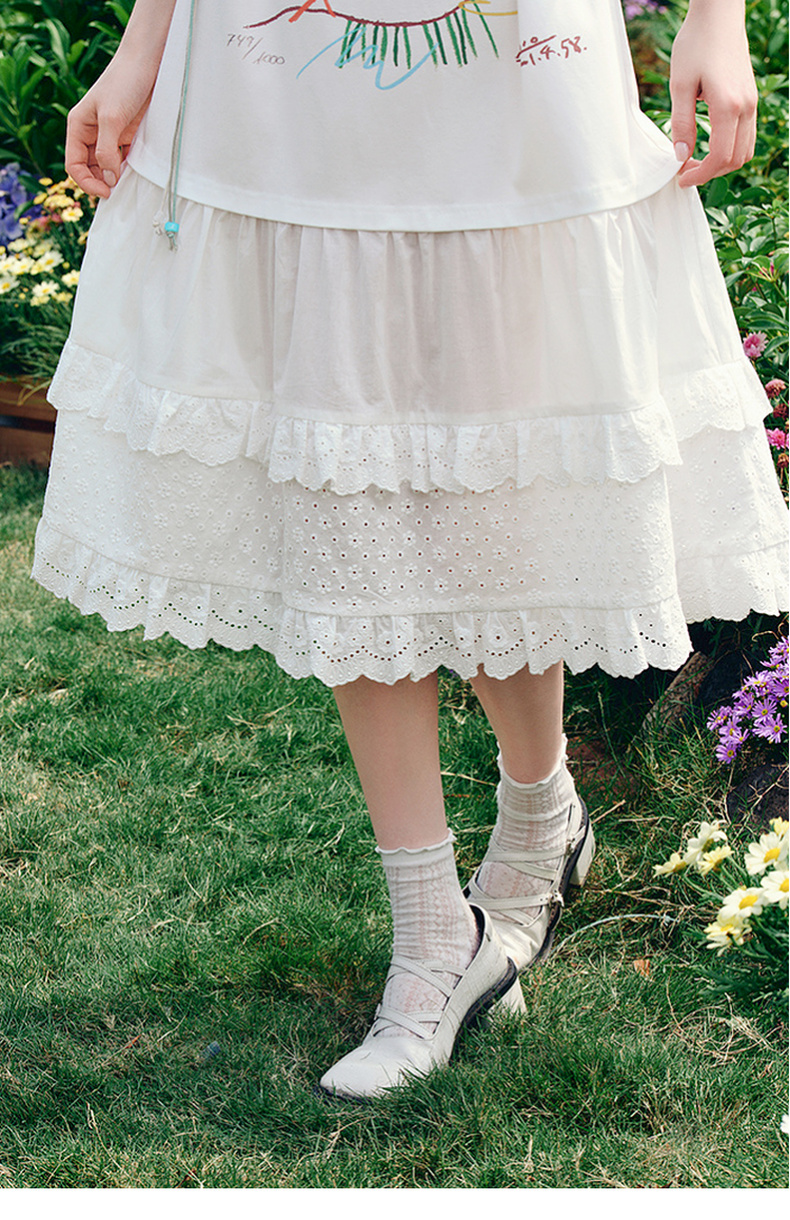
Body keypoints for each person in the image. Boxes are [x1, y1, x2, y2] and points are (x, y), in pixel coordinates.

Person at [32, 0, 787, 1101]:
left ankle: (539, 818)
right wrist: (145, 42)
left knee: (502, 455)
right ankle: (434, 931)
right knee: (350, 479)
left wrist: (718, 19)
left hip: (515, 67)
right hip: (282, 76)